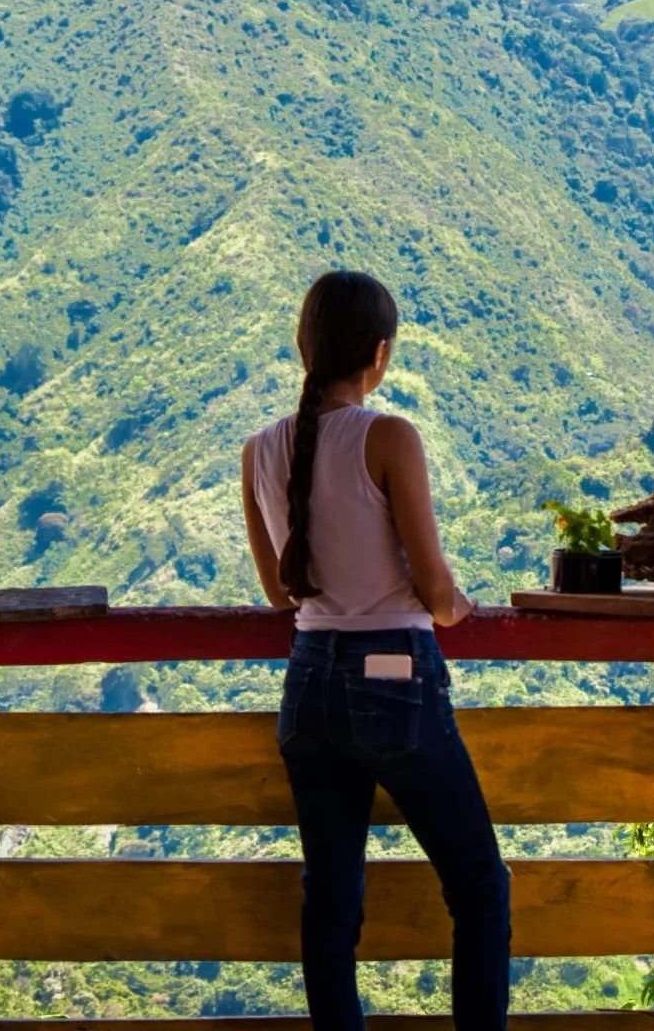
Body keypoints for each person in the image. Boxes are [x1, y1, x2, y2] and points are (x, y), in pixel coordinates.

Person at [242, 269, 511, 1031]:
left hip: (306, 689)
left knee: (330, 898)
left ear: (305, 347)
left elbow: (276, 594)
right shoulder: (389, 436)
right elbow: (434, 589)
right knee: (478, 889)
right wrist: (459, 607)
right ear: (379, 355)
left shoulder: (259, 448)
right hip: (393, 679)